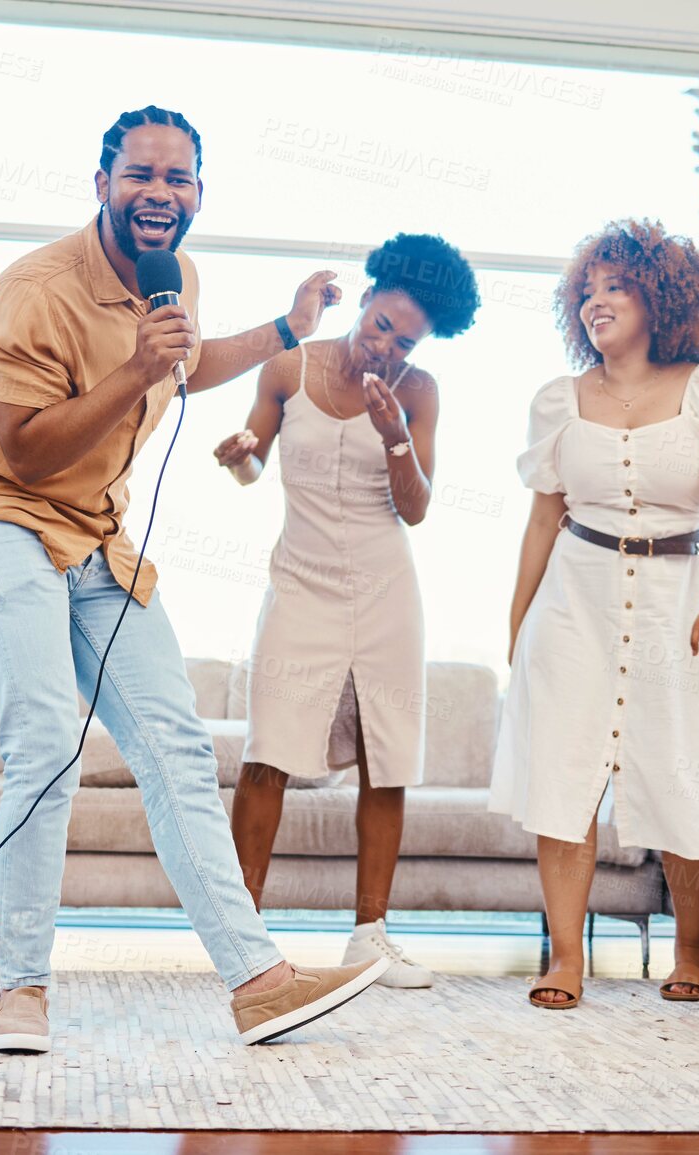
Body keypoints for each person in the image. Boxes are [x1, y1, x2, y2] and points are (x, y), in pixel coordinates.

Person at [0, 105, 390, 1054]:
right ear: (102, 183)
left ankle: (258, 979)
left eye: (177, 179)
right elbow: (19, 449)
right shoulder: (33, 289)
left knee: (178, 748)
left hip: (97, 541)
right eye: (140, 175)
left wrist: (283, 329)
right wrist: (130, 369)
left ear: (196, 196)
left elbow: (181, 367)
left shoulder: (171, 274)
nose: (159, 194)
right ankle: (18, 989)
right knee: (48, 731)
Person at [491, 219, 699, 1010]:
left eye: (615, 286)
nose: (595, 302)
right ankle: (566, 957)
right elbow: (541, 522)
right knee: (561, 773)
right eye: (587, 290)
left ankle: (689, 951)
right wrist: (517, 632)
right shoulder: (557, 400)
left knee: (688, 766)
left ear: (662, 295)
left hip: (677, 597)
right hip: (572, 597)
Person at [217, 234, 481, 989]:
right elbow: (251, 463)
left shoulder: (419, 392)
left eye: (406, 339)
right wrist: (238, 454)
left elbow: (416, 509)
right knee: (267, 751)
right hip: (298, 583)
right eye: (382, 325)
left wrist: (397, 435)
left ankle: (369, 935)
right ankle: (243, 934)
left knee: (385, 758)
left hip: (383, 590)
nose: (388, 344)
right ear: (363, 301)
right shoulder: (287, 367)